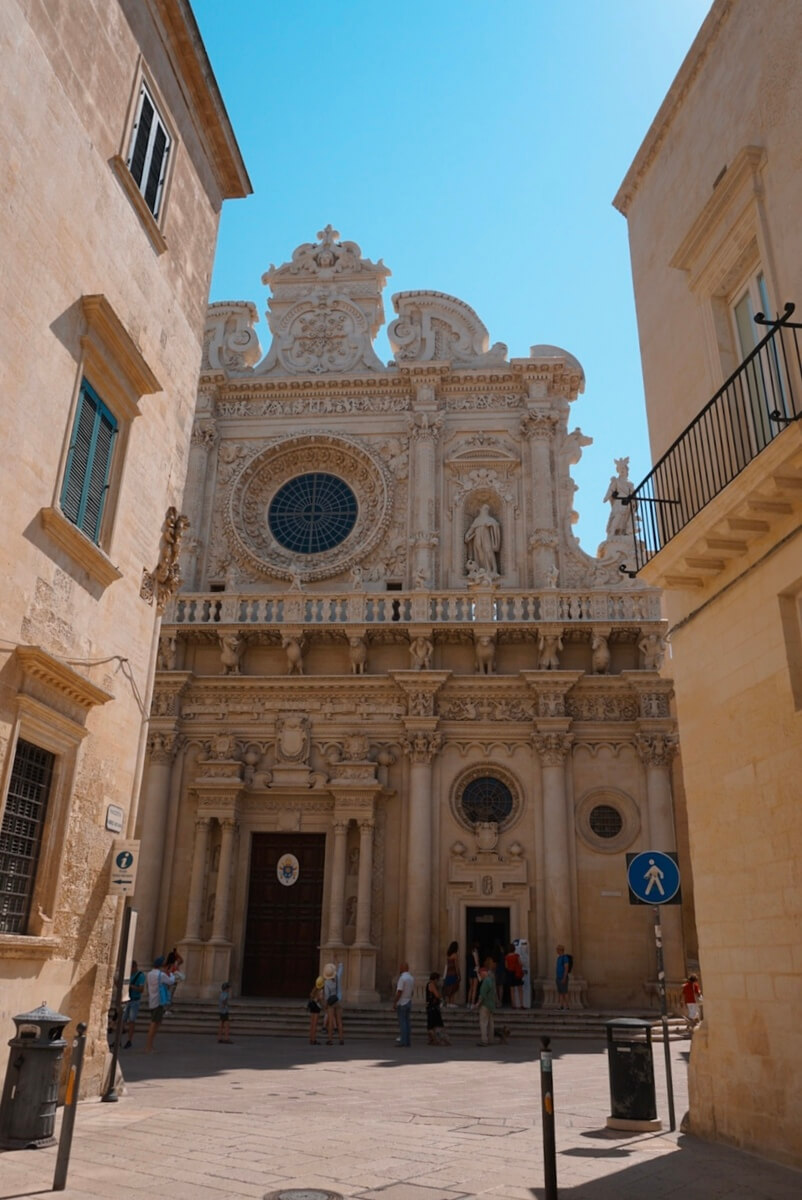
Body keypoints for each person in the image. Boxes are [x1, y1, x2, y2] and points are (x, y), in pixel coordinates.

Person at [144, 956, 176, 1053]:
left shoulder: (149, 974)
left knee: (155, 1023)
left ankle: (150, 1046)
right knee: (154, 1024)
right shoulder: (161, 975)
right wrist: (171, 973)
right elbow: (171, 981)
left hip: (152, 1000)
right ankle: (148, 1047)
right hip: (159, 1001)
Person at [464, 504, 501, 575]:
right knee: (479, 553)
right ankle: (481, 570)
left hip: (487, 538)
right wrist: (467, 535)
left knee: (488, 551)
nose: (486, 511)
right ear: (481, 510)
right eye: (484, 509)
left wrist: (492, 525)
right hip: (477, 539)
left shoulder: (491, 519)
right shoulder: (477, 520)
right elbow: (471, 529)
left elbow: (496, 526)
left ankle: (493, 570)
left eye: (487, 509)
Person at [122, 959, 146, 1049]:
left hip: (135, 1000)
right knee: (122, 1020)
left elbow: (141, 989)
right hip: (126, 1000)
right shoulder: (128, 975)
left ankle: (129, 1040)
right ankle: (119, 1040)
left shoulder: (141, 976)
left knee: (132, 1021)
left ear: (135, 967)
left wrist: (131, 986)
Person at [426, 972, 450, 1046]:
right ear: (435, 979)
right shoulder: (432, 985)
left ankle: (432, 1040)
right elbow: (437, 995)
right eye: (438, 980)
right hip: (433, 1007)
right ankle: (437, 1040)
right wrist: (441, 996)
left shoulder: (428, 984)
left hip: (430, 1006)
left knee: (431, 1024)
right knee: (437, 1024)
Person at [323, 961, 344, 1045]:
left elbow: (327, 996)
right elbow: (341, 969)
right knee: (339, 1021)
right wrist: (339, 964)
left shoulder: (326, 983)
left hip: (331, 1003)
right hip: (337, 1001)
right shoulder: (337, 977)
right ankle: (341, 1039)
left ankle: (330, 1039)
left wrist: (326, 1005)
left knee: (331, 1021)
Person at [394, 961, 414, 1047]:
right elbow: (412, 992)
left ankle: (403, 1041)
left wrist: (395, 1002)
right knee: (407, 1022)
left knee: (402, 1023)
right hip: (408, 1001)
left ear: (402, 968)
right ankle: (407, 1040)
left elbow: (399, 991)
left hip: (402, 1002)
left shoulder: (402, 978)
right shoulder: (411, 978)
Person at [477, 962, 497, 1046]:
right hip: (491, 1005)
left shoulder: (485, 982)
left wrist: (477, 1004)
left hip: (485, 1005)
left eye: (480, 974)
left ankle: (484, 1040)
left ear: (483, 973)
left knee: (483, 1023)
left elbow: (482, 995)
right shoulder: (491, 981)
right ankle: (491, 1040)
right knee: (490, 1024)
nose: (480, 976)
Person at [505, 943, 524, 1009]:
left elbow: (506, 966)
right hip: (517, 973)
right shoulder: (516, 956)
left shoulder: (507, 957)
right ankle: (521, 1004)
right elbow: (520, 964)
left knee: (512, 990)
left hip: (510, 973)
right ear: (514, 949)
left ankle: (514, 1005)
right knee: (520, 989)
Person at [443, 940, 460, 1007]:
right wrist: (458, 974)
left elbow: (447, 965)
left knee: (449, 987)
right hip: (453, 973)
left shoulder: (448, 955)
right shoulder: (455, 955)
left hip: (448, 973)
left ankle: (448, 1002)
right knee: (453, 988)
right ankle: (451, 1002)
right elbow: (457, 966)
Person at [308, 975, 324, 1044]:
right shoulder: (321, 991)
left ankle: (311, 1039)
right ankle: (314, 1039)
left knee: (312, 1024)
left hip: (312, 1006)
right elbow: (320, 999)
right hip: (317, 1007)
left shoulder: (314, 990)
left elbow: (311, 997)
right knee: (315, 1024)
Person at [556, 944, 573, 1010]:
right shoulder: (559, 958)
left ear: (560, 950)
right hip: (558, 978)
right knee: (560, 992)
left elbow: (566, 968)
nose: (556, 951)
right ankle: (561, 1006)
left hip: (563, 978)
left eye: (557, 949)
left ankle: (567, 1006)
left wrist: (564, 978)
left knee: (565, 992)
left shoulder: (565, 958)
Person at [467, 942, 481, 1008]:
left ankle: (468, 1003)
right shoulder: (474, 951)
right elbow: (476, 961)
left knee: (470, 987)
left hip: (469, 970)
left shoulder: (468, 952)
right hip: (474, 970)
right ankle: (472, 1003)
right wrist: (478, 968)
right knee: (475, 988)